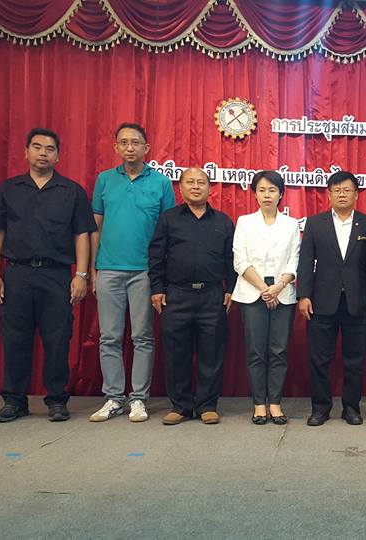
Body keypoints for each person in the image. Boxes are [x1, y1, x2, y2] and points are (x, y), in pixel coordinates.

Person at [0, 128, 97, 422]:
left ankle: (57, 400)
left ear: (58, 156)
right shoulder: (9, 189)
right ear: (26, 152)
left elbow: (81, 234)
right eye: (37, 147)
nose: (43, 153)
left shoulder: (71, 191)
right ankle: (14, 400)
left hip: (56, 275)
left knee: (58, 339)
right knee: (14, 339)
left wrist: (81, 274)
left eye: (49, 149)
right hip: (17, 274)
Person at [89, 123, 175, 423]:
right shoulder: (104, 180)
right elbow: (95, 226)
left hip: (145, 271)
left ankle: (138, 398)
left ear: (146, 148)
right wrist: (91, 268)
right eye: (124, 142)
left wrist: (162, 274)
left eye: (136, 142)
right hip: (108, 268)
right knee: (109, 337)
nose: (130, 147)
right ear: (116, 147)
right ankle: (113, 397)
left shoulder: (161, 183)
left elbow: (168, 230)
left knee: (143, 336)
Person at [148, 168, 237, 426]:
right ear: (181, 187)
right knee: (176, 353)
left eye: (201, 182)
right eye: (190, 182)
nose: (196, 187)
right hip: (177, 294)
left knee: (212, 353)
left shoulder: (223, 221)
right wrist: (157, 288)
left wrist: (231, 289)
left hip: (212, 295)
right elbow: (156, 255)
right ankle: (181, 406)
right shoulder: (168, 219)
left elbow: (232, 259)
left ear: (210, 188)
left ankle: (207, 405)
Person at [297, 171, 366, 427]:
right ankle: (320, 408)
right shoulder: (315, 223)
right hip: (322, 301)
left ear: (356, 194)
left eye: (347, 190)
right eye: (337, 190)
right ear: (329, 194)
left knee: (355, 359)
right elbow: (305, 261)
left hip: (358, 300)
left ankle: (351, 408)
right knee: (319, 359)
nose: (342, 194)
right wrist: (303, 295)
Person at [233, 170, 300, 425]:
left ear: (281, 194)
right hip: (253, 292)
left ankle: (275, 403)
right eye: (261, 190)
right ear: (254, 194)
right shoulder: (245, 222)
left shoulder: (291, 224)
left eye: (272, 190)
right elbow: (240, 260)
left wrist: (278, 286)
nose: (267, 195)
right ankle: (259, 404)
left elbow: (295, 259)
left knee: (279, 351)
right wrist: (264, 288)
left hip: (283, 293)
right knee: (256, 351)